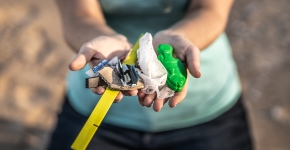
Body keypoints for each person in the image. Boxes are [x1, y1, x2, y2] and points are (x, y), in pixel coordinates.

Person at [48, 0, 253, 149]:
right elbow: (78, 15)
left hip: (208, 111)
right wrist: (100, 39)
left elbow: (210, 10)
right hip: (94, 110)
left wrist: (180, 37)